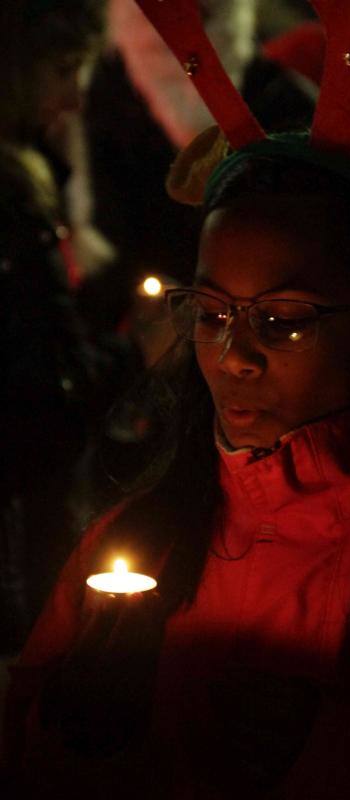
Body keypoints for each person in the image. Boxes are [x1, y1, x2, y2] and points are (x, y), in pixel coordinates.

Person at [3, 2, 350, 799]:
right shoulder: (140, 541)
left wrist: (338, 745)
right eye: (211, 314)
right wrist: (84, 726)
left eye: (284, 321)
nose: (233, 355)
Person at [0, 0, 135, 659]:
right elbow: (38, 401)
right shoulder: (10, 197)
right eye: (62, 70)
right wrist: (141, 352)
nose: (75, 98)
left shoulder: (33, 172)